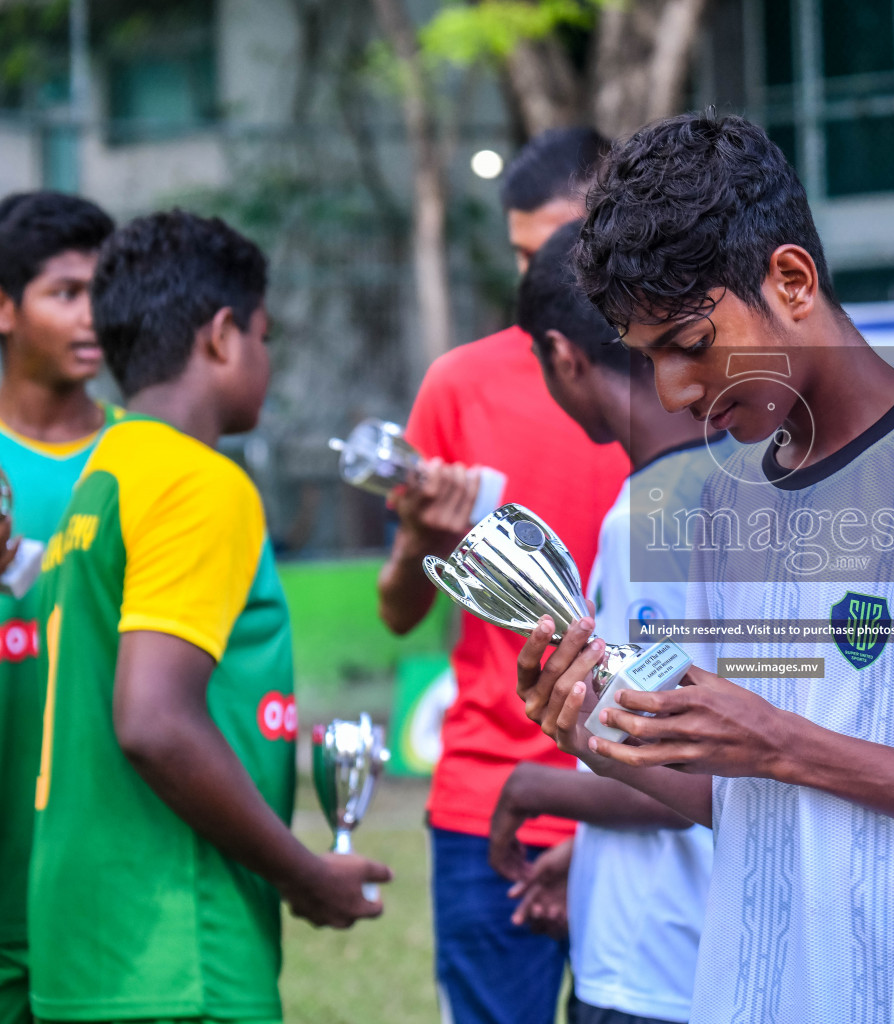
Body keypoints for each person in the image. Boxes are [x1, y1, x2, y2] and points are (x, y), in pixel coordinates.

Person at [518, 112, 894, 1024]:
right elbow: (755, 803)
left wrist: (785, 745)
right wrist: (601, 734)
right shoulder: (728, 503)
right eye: (649, 361)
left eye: (689, 344)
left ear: (791, 280)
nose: (676, 393)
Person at [27, 210, 388, 1024]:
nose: (267, 359)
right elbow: (152, 722)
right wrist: (300, 870)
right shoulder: (200, 482)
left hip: (84, 951)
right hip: (174, 952)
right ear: (223, 335)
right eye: (265, 337)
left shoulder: (106, 471)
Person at [375, 127, 629, 1023]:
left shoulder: (681, 387)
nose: (537, 282)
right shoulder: (458, 384)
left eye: (557, 251)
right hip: (491, 807)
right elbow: (400, 610)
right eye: (524, 257)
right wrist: (417, 538)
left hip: (651, 800)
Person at [487, 221, 715, 1024]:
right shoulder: (739, 482)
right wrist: (584, 851)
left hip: (663, 966)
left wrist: (533, 786)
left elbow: (684, 770)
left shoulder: (654, 513)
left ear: (564, 355)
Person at [0, 191, 117, 1024]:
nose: (91, 317)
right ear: (5, 308)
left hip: (98, 868)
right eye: (65, 292)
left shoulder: (135, 456)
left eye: (100, 293)